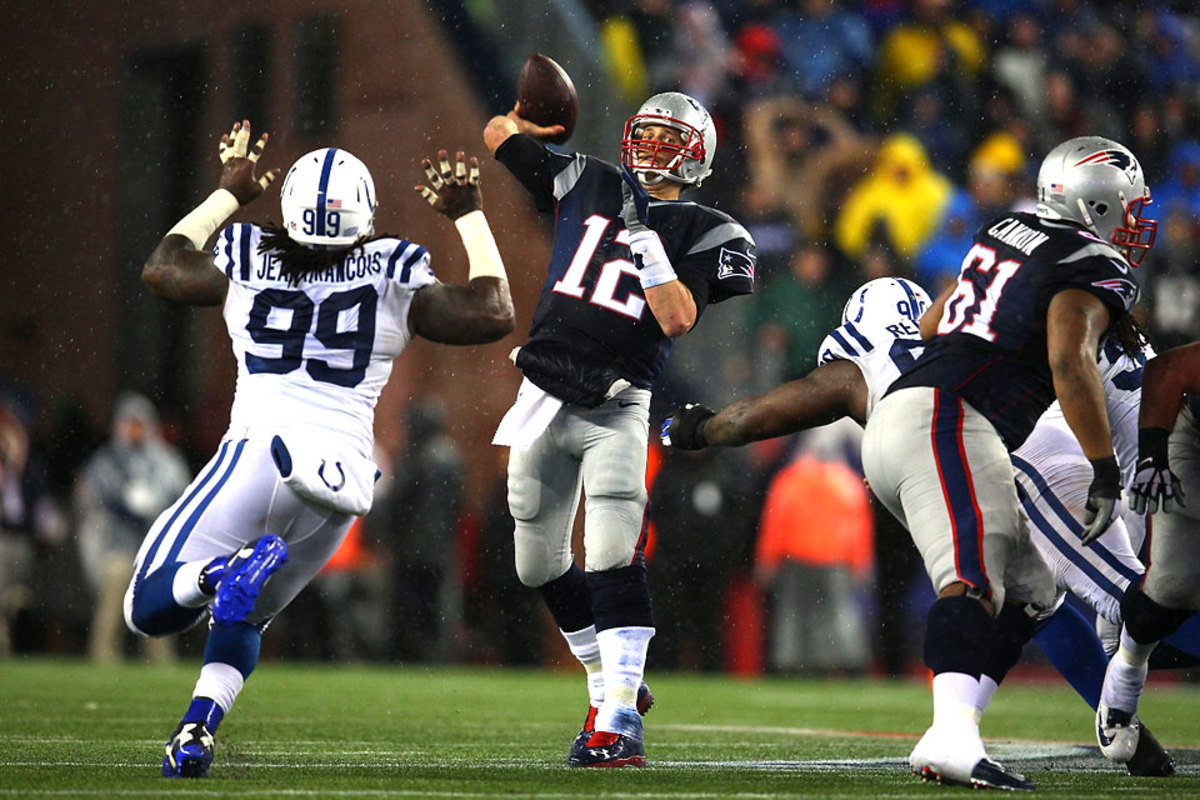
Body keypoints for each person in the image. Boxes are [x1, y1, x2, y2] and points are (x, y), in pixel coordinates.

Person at [125, 120, 515, 778]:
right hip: (340, 483)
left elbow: (163, 268)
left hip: (260, 453)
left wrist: (228, 193)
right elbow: (493, 311)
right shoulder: (393, 269)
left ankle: (217, 574)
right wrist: (468, 215)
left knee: (148, 609)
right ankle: (196, 730)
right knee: (245, 618)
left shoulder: (248, 254)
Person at [861, 136, 1153, 789]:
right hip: (952, 418)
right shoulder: (1095, 261)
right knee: (971, 578)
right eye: (1130, 206)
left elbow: (933, 323)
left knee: (1032, 591)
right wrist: (1104, 470)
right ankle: (950, 739)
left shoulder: (1004, 230)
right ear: (1097, 204)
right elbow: (1068, 359)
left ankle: (954, 727)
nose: (1136, 220)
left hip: (918, 413)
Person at [482, 91, 756, 767]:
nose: (654, 148)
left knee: (610, 550)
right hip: (544, 392)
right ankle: (609, 681)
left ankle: (620, 715)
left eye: (672, 139)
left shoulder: (711, 228)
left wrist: (645, 239)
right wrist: (523, 120)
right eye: (649, 133)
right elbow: (495, 134)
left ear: (698, 156)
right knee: (534, 562)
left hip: (616, 402)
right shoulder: (588, 177)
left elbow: (676, 317)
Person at [1095, 342, 1200, 766]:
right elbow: (1167, 370)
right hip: (1191, 444)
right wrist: (1153, 458)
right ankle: (1127, 669)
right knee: (1170, 588)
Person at [76, 392, 190, 662]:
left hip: (156, 548)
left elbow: (182, 494)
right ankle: (104, 657)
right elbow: (102, 494)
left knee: (159, 606)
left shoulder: (165, 459)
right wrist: (128, 503)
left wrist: (157, 502)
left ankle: (160, 663)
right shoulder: (107, 459)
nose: (134, 431)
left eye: (139, 424)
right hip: (119, 544)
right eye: (129, 424)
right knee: (113, 602)